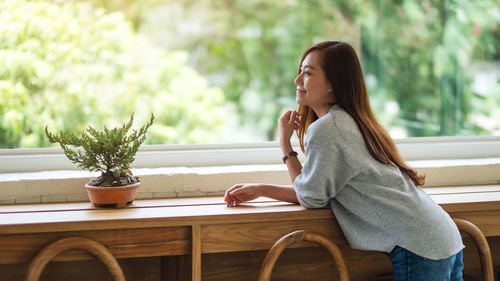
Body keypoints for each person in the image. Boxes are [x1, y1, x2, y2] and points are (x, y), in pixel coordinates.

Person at [224, 41, 464, 280]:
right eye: (300, 72)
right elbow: (313, 188)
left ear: (333, 84)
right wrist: (260, 188)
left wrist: (285, 146)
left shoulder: (329, 128)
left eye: (307, 73)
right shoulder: (350, 120)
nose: (297, 81)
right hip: (440, 236)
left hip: (420, 246)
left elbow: (310, 196)